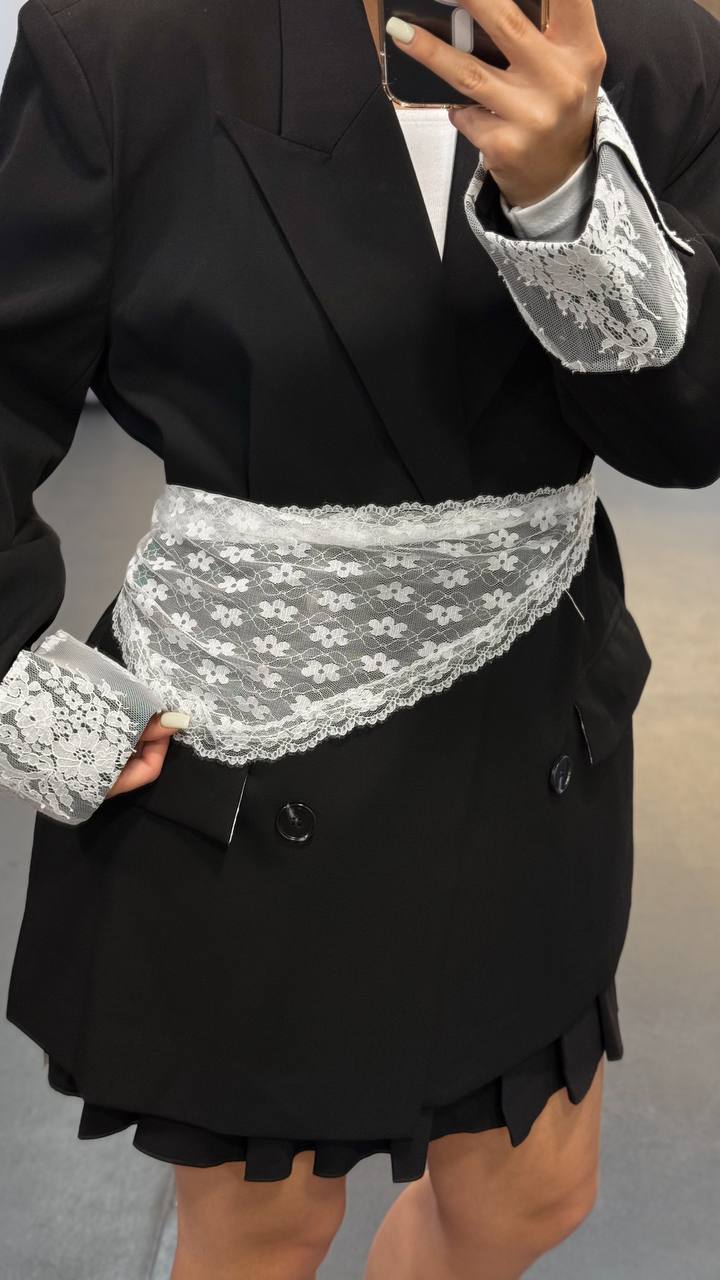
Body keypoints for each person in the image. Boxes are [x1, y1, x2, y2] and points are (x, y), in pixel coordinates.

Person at [1, 0, 718, 1276]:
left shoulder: (660, 51)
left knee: (531, 1194)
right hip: (242, 752)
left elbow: (688, 436)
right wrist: (17, 677)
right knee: (263, 1229)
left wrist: (568, 200)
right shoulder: (129, 43)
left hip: (530, 733)